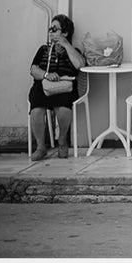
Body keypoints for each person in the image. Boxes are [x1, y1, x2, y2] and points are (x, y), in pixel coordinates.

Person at [27, 14, 86, 160]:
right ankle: (41, 147)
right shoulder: (43, 49)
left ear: (65, 32)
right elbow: (33, 70)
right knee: (36, 109)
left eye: (55, 29)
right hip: (44, 85)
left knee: (63, 109)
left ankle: (62, 140)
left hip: (65, 87)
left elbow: (80, 64)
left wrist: (65, 44)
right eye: (50, 29)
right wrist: (46, 74)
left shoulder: (74, 51)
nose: (51, 32)